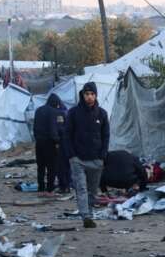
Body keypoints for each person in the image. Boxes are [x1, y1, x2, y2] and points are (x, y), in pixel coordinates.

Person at [61, 81, 109, 228]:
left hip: (96, 160)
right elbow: (67, 134)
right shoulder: (73, 113)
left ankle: (89, 212)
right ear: (82, 95)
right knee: (81, 188)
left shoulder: (102, 114)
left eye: (92, 94)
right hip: (78, 159)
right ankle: (86, 217)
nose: (89, 97)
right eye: (87, 94)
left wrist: (102, 156)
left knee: (92, 191)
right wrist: (71, 155)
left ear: (96, 96)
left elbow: (105, 135)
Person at [33, 93, 68, 193]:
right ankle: (50, 188)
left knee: (41, 167)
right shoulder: (54, 112)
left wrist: (37, 139)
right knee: (51, 167)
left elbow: (34, 128)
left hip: (39, 143)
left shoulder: (38, 110)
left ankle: (40, 187)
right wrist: (57, 141)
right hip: (50, 144)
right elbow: (53, 129)